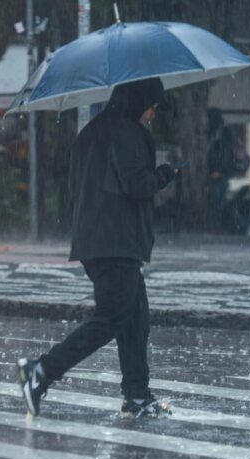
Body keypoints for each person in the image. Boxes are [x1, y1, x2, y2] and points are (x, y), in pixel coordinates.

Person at [16, 78, 176, 419]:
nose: (153, 112)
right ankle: (41, 371)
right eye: (152, 105)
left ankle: (136, 394)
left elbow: (77, 184)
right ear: (138, 101)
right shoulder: (128, 134)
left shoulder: (91, 132)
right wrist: (164, 175)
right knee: (111, 319)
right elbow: (136, 185)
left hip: (97, 240)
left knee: (136, 319)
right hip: (117, 241)